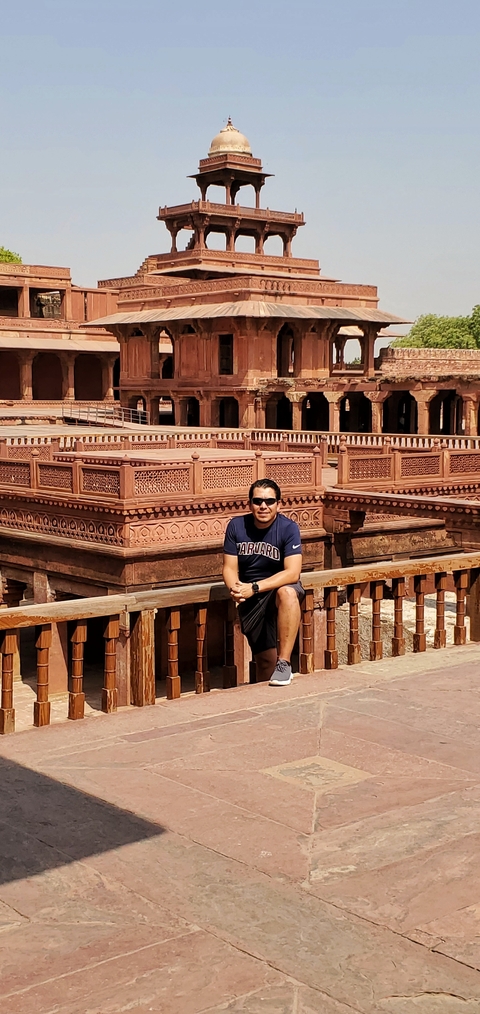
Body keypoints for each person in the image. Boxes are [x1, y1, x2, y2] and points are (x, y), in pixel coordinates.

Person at [222, 477, 304, 686]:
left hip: (277, 587)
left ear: (279, 504)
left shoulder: (288, 528)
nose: (263, 506)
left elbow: (293, 573)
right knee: (265, 661)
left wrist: (255, 588)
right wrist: (236, 589)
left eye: (269, 501)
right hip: (250, 595)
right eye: (258, 501)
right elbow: (229, 568)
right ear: (249, 503)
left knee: (287, 593)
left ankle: (284, 663)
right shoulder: (236, 526)